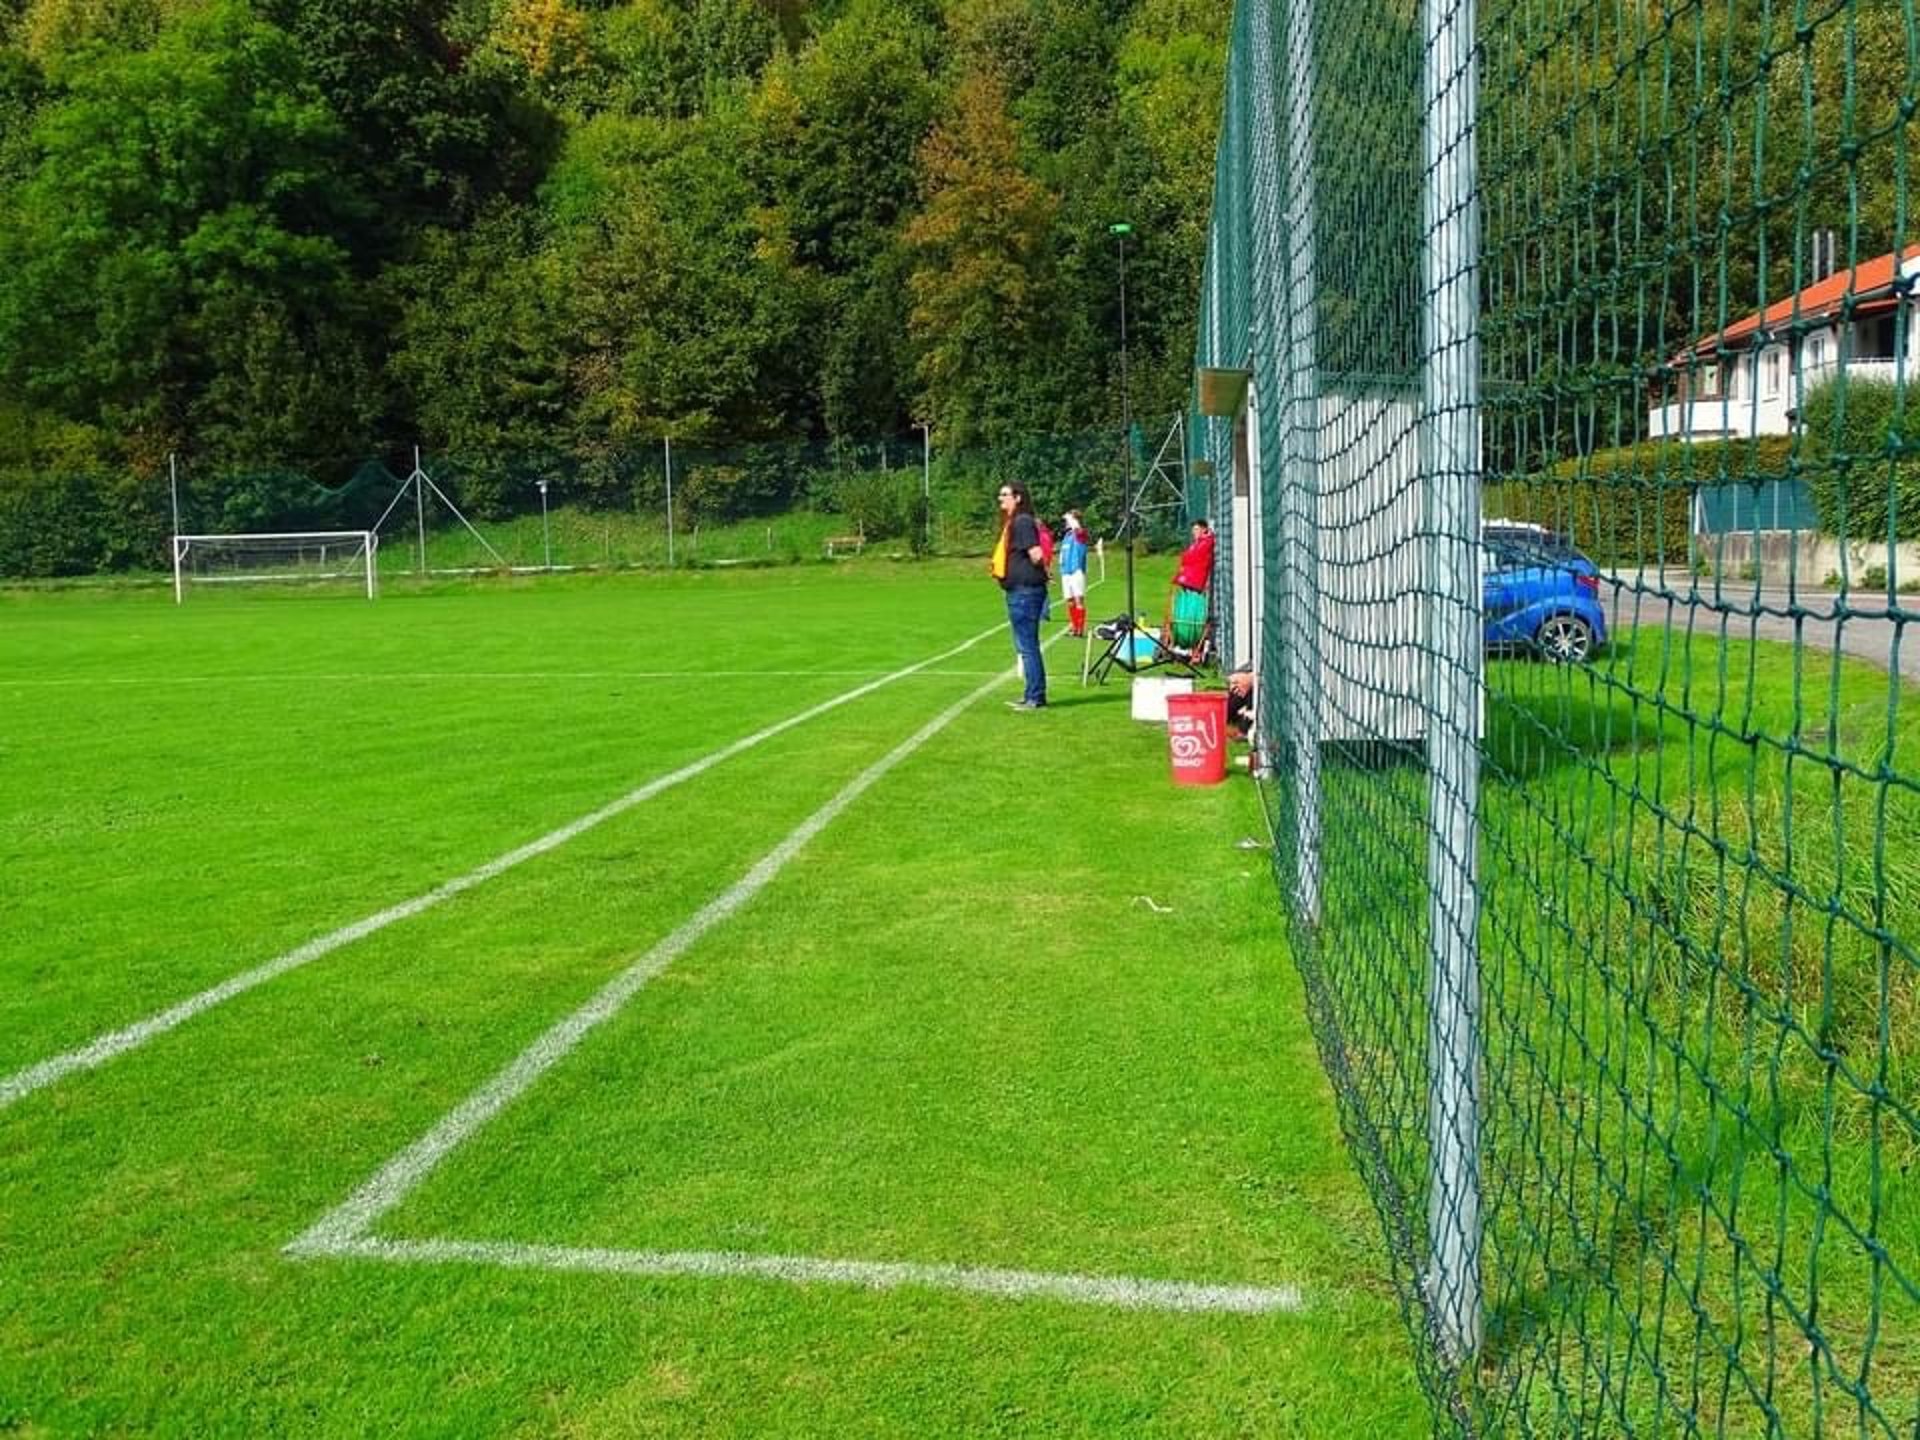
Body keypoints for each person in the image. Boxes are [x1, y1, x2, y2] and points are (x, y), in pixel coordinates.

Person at [990, 481, 1049, 709]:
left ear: (1018, 498)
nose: (1000, 499)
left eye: (1005, 494)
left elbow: (1035, 553)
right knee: (1026, 645)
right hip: (1022, 590)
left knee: (1027, 645)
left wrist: (1040, 568)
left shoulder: (1022, 521)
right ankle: (1032, 694)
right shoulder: (1017, 521)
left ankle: (1035, 696)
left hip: (1024, 591)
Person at [1170, 518, 1216, 651]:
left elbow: (1191, 557)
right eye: (1193, 530)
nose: (1194, 532)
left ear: (1204, 529)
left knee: (1192, 613)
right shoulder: (1198, 543)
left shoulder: (1205, 543)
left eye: (1196, 529)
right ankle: (1181, 639)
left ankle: (1191, 640)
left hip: (1194, 582)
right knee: (1182, 609)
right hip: (1189, 580)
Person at [1058, 509, 1090, 637]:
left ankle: (1080, 629)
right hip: (1066, 571)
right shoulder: (1067, 536)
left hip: (1076, 570)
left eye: (1068, 520)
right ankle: (1074, 626)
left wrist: (1072, 519)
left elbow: (1079, 531)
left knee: (1078, 600)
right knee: (1069, 600)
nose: (1066, 523)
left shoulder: (1080, 534)